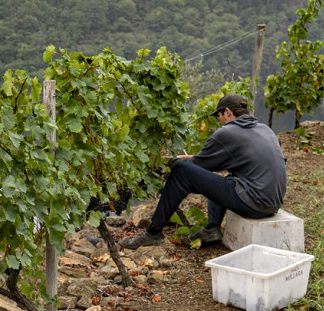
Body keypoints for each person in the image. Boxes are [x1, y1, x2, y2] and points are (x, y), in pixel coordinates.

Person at [121, 94, 286, 248]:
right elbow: (236, 160)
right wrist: (191, 159)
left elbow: (196, 168)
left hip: (254, 204)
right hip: (272, 204)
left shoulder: (228, 132)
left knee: (180, 170)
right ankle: (212, 229)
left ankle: (153, 232)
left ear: (227, 112)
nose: (219, 121)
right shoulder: (264, 129)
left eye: (219, 116)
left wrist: (173, 161)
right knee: (223, 178)